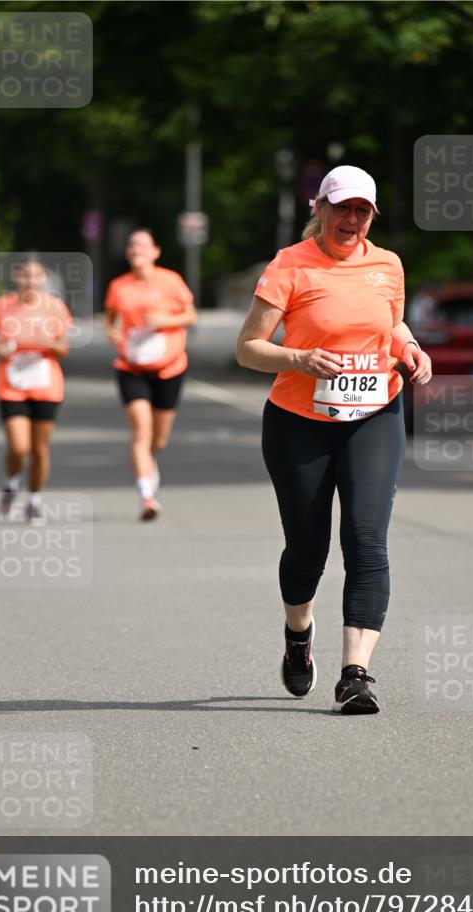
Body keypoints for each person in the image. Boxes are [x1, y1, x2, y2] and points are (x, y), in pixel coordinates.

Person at [236, 165, 432, 715]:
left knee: (367, 542)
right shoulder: (289, 266)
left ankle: (355, 675)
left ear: (372, 215)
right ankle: (298, 635)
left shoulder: (387, 264)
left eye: (362, 210)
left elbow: (391, 326)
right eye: (342, 207)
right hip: (298, 421)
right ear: (318, 208)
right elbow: (248, 347)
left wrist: (412, 349)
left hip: (374, 412)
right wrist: (299, 358)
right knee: (307, 550)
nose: (352, 219)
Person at [104, 229, 197, 520]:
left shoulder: (170, 281)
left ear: (155, 251)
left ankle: (150, 461)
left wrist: (165, 320)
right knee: (140, 433)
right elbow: (110, 323)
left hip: (170, 368)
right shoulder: (119, 286)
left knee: (159, 438)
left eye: (143, 245)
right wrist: (114, 334)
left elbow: (190, 315)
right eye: (132, 245)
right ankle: (146, 496)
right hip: (131, 368)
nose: (136, 249)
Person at [0, 257, 71, 526]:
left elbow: (63, 348)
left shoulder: (55, 307)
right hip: (12, 385)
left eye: (36, 276)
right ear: (16, 277)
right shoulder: (2, 306)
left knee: (40, 450)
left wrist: (46, 343)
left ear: (43, 277)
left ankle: (34, 501)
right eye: (25, 276)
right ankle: (11, 484)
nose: (30, 281)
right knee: (19, 447)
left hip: (45, 384)